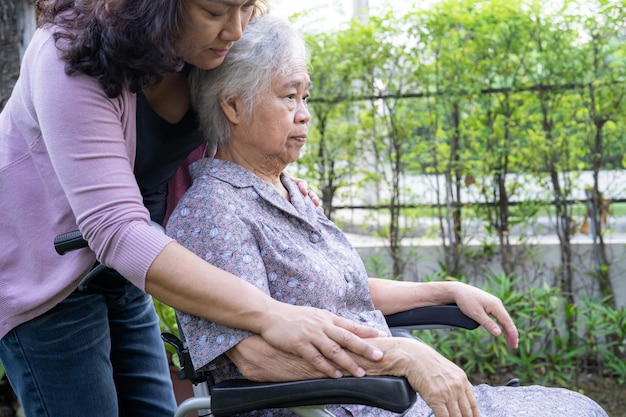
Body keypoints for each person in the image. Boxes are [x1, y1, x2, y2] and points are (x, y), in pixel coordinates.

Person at [166, 14, 610, 417]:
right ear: (233, 106)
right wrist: (400, 356)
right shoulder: (214, 214)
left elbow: (341, 290)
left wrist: (444, 290)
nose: (305, 116)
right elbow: (253, 359)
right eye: (288, 97)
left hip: (389, 399)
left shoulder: (286, 191)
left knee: (580, 407)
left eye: (307, 96)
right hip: (347, 406)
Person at [0, 1, 388, 416]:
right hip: (42, 275)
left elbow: (233, 146)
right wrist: (270, 314)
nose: (236, 30)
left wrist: (276, 186)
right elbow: (115, 228)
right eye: (215, 11)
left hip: (124, 271)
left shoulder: (200, 51)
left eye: (244, 7)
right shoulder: (70, 56)